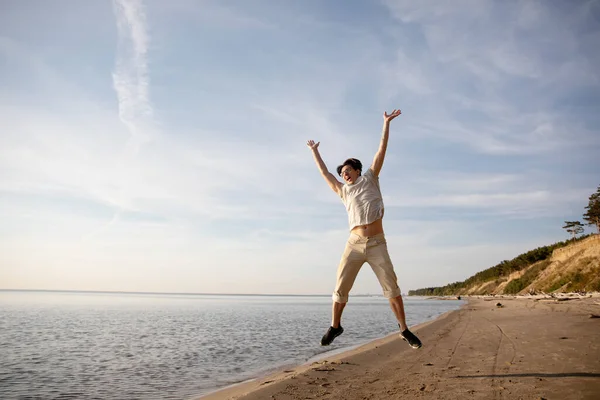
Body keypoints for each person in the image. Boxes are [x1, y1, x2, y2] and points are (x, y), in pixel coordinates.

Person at [306, 109, 422, 349]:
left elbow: (381, 150)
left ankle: (404, 329)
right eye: (342, 173)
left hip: (377, 243)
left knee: (392, 288)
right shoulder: (342, 191)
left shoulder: (370, 178)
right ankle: (335, 326)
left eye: (347, 170)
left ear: (357, 170)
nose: (344, 174)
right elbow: (325, 173)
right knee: (340, 287)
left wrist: (386, 123)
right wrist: (315, 151)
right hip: (354, 244)